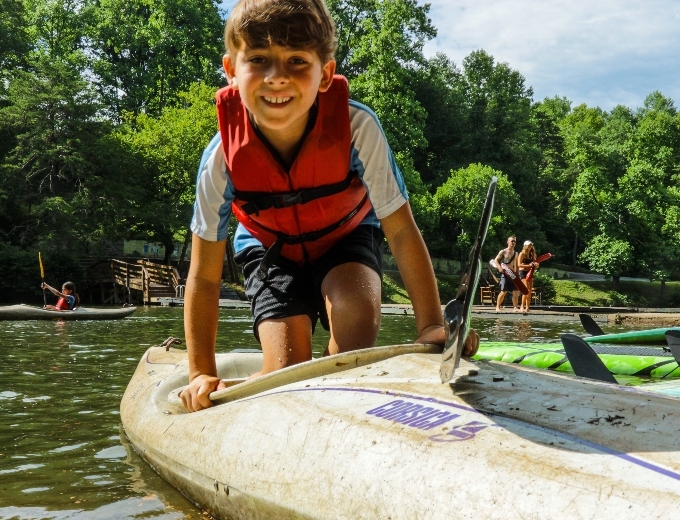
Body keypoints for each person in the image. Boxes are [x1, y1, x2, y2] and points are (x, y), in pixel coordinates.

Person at [179, 0, 478, 412]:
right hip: (270, 253)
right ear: (231, 71)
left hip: (346, 239)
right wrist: (200, 372)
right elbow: (205, 276)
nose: (277, 77)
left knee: (353, 338)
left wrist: (430, 325)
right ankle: (274, 372)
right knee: (288, 366)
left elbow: (402, 230)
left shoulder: (359, 128)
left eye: (297, 61)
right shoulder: (219, 160)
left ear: (326, 74)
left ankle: (338, 382)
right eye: (259, 59)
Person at [489, 236, 520, 312]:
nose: (513, 243)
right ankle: (497, 307)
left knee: (515, 291)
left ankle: (515, 307)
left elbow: (516, 264)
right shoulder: (503, 251)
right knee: (504, 291)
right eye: (512, 241)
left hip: (513, 275)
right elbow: (495, 260)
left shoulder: (516, 253)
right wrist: (499, 267)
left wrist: (517, 273)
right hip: (505, 274)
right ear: (508, 242)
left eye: (515, 241)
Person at [516, 240, 538, 313]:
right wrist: (528, 265)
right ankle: (522, 306)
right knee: (526, 290)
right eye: (528, 245)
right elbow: (519, 265)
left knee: (530, 290)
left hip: (530, 272)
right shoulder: (522, 254)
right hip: (523, 272)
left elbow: (536, 263)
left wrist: (536, 265)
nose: (530, 246)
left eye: (531, 245)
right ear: (524, 246)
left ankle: (527, 307)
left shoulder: (533, 254)